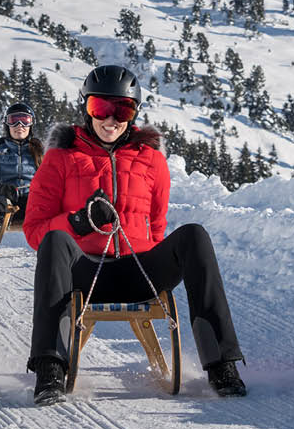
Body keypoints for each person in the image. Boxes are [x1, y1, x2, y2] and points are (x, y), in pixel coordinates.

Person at [23, 65, 246, 405]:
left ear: (134, 112)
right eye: (100, 108)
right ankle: (50, 368)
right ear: (86, 108)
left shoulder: (152, 160)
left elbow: (156, 227)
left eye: (122, 109)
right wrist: (79, 222)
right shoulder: (60, 159)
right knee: (54, 240)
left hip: (139, 273)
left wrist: (147, 254)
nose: (111, 119)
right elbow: (34, 232)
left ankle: (222, 365)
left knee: (194, 235)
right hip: (84, 274)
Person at [0, 102, 44, 249]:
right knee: (0, 203)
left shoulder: (40, 152)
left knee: (52, 206)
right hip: (8, 201)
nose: (19, 125)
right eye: (14, 120)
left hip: (34, 203)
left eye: (25, 120)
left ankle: (60, 240)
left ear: (31, 125)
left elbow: (53, 176)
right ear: (7, 125)